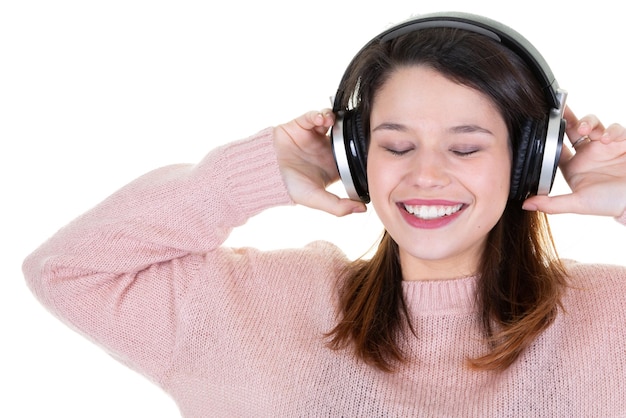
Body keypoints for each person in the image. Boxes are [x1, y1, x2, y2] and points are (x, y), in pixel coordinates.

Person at [23, 11, 626, 417]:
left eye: (465, 147)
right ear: (357, 158)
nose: (425, 175)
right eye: (395, 145)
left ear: (530, 162)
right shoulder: (262, 309)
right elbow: (70, 271)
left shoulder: (610, 320)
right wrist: (243, 179)